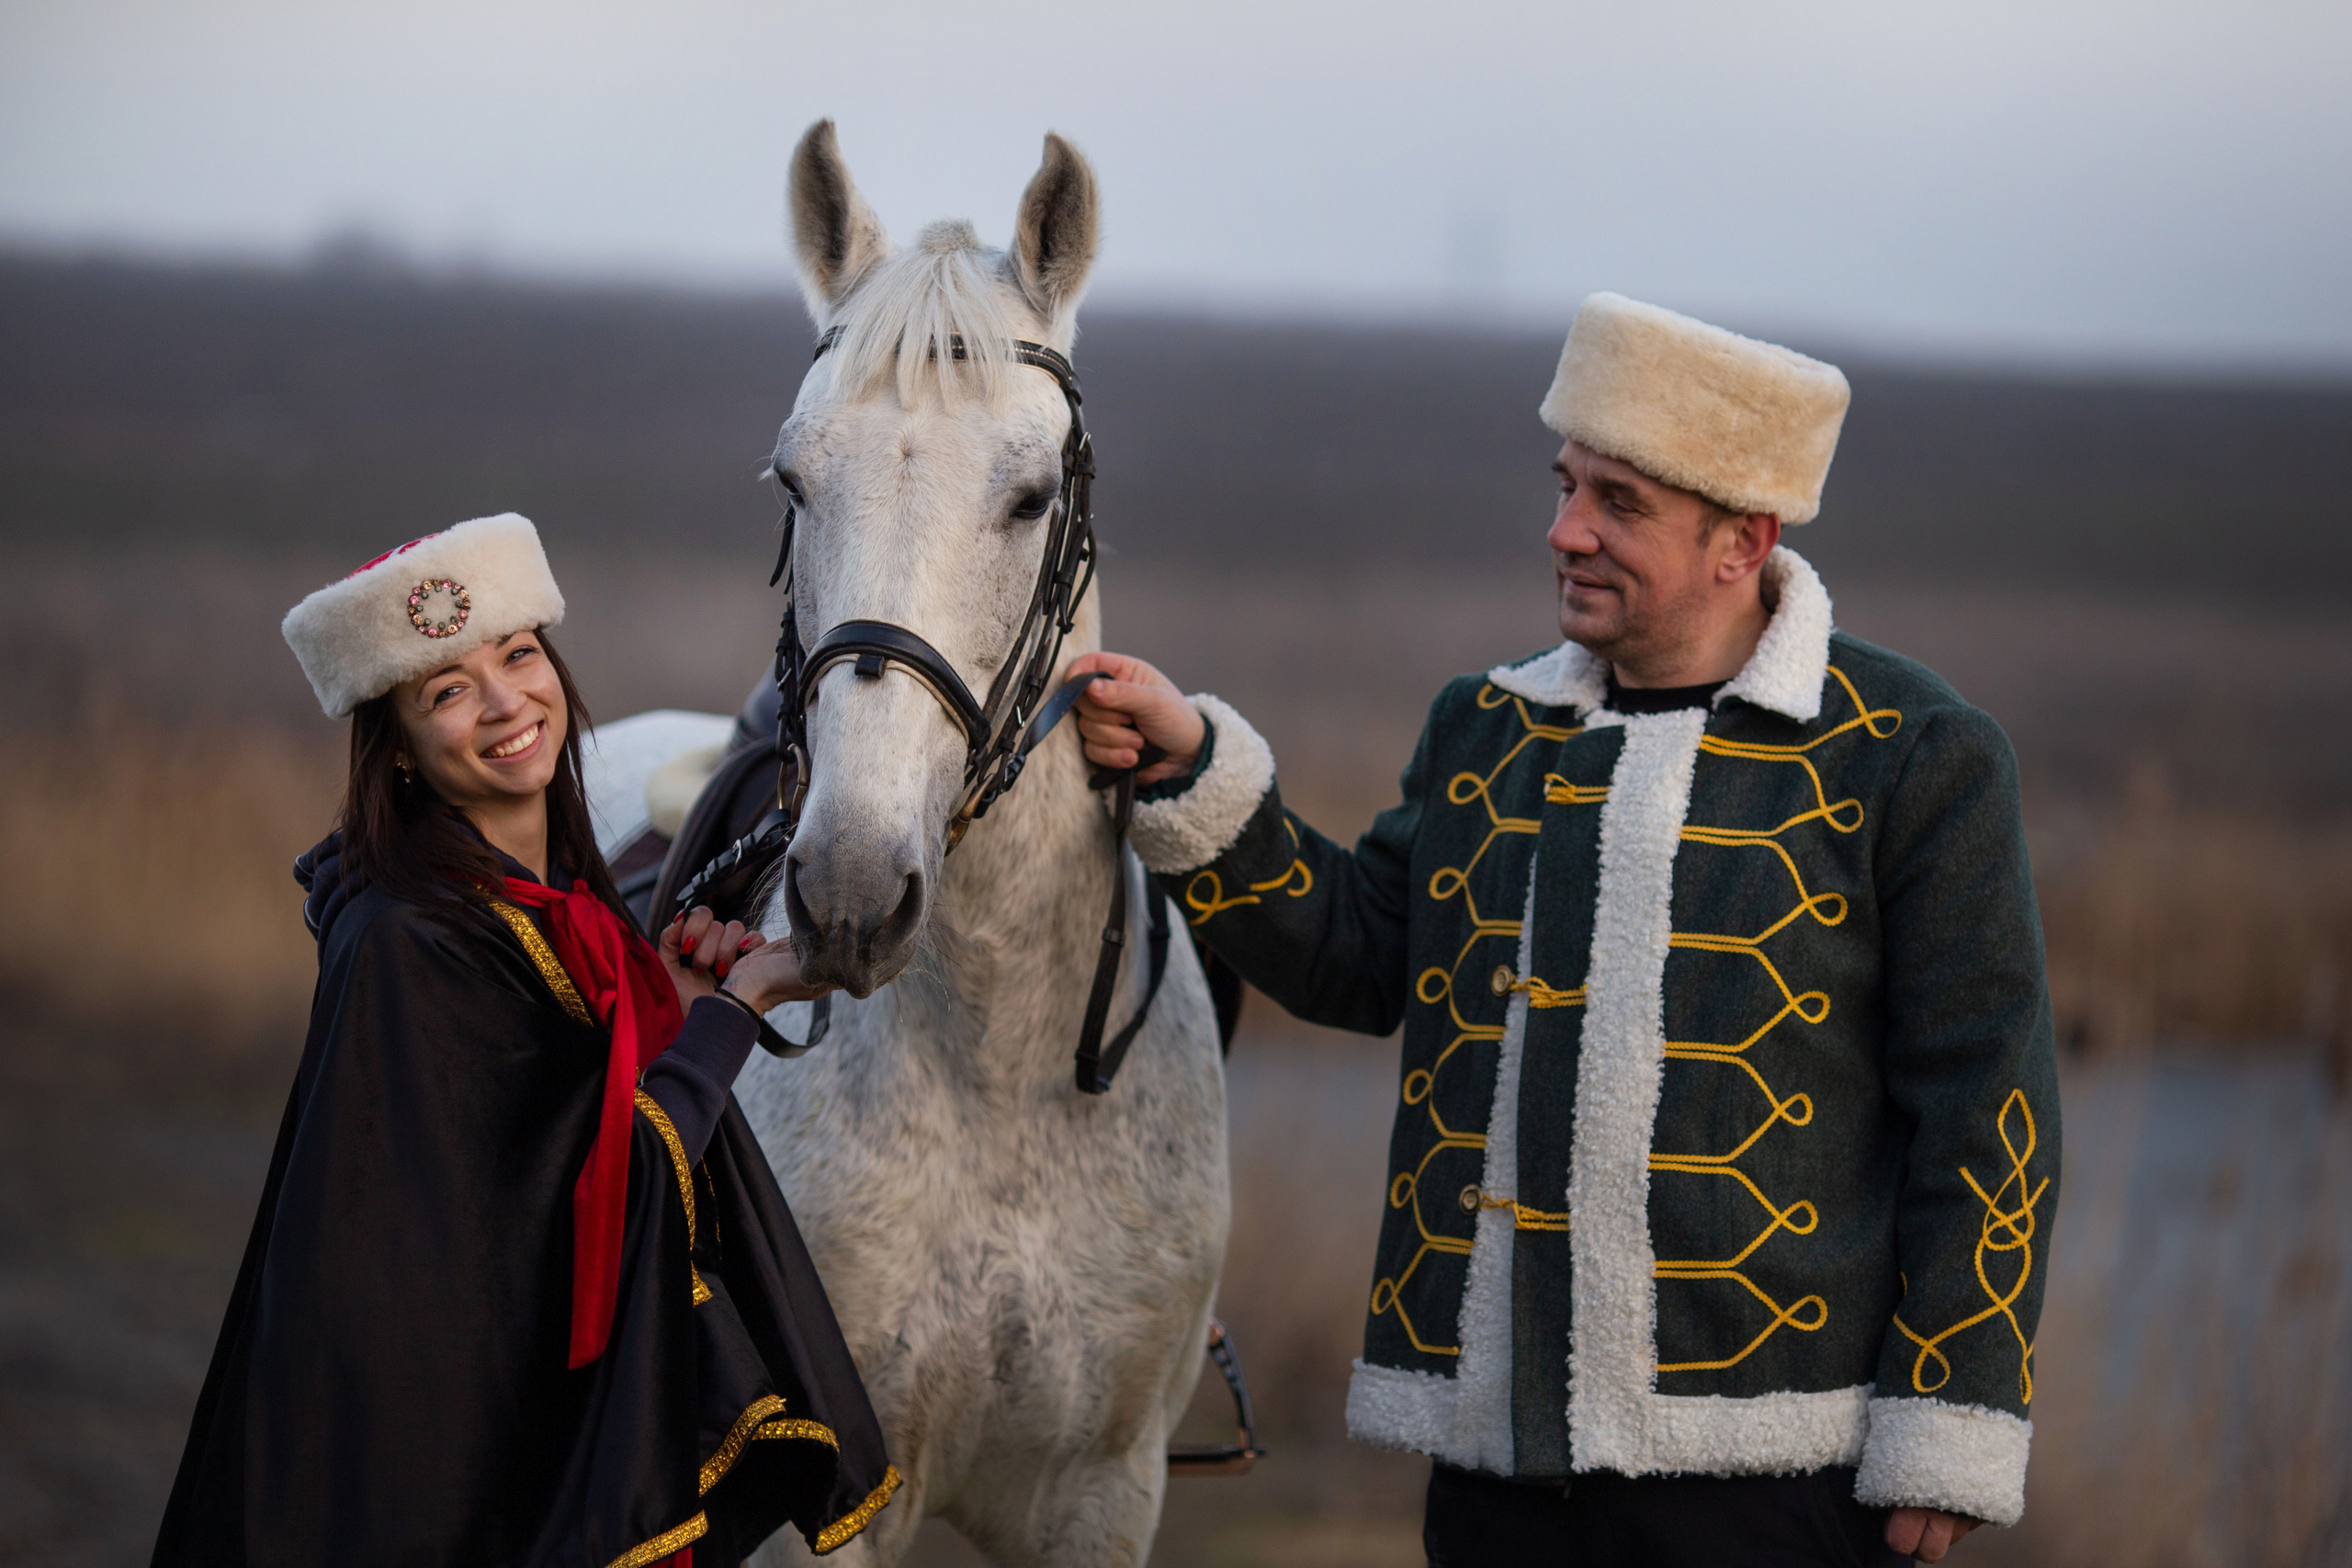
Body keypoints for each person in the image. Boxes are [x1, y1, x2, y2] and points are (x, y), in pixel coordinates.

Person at [1071, 295, 2060, 1566]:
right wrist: (1195, 771)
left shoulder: (1912, 755)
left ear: (1743, 539)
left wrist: (1949, 1417)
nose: (1565, 530)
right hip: (1500, 1473)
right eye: (1566, 486)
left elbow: (1987, 1106)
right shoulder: (1487, 728)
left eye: (1618, 503)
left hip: (1779, 1483)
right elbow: (1363, 953)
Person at [153, 513, 899, 1567]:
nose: (506, 703)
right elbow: (577, 1217)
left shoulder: (552, 908)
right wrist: (738, 1011)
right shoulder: (408, 944)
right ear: (397, 749)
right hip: (451, 1485)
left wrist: (671, 1006)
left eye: (516, 656)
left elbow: (557, 1132)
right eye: (446, 691)